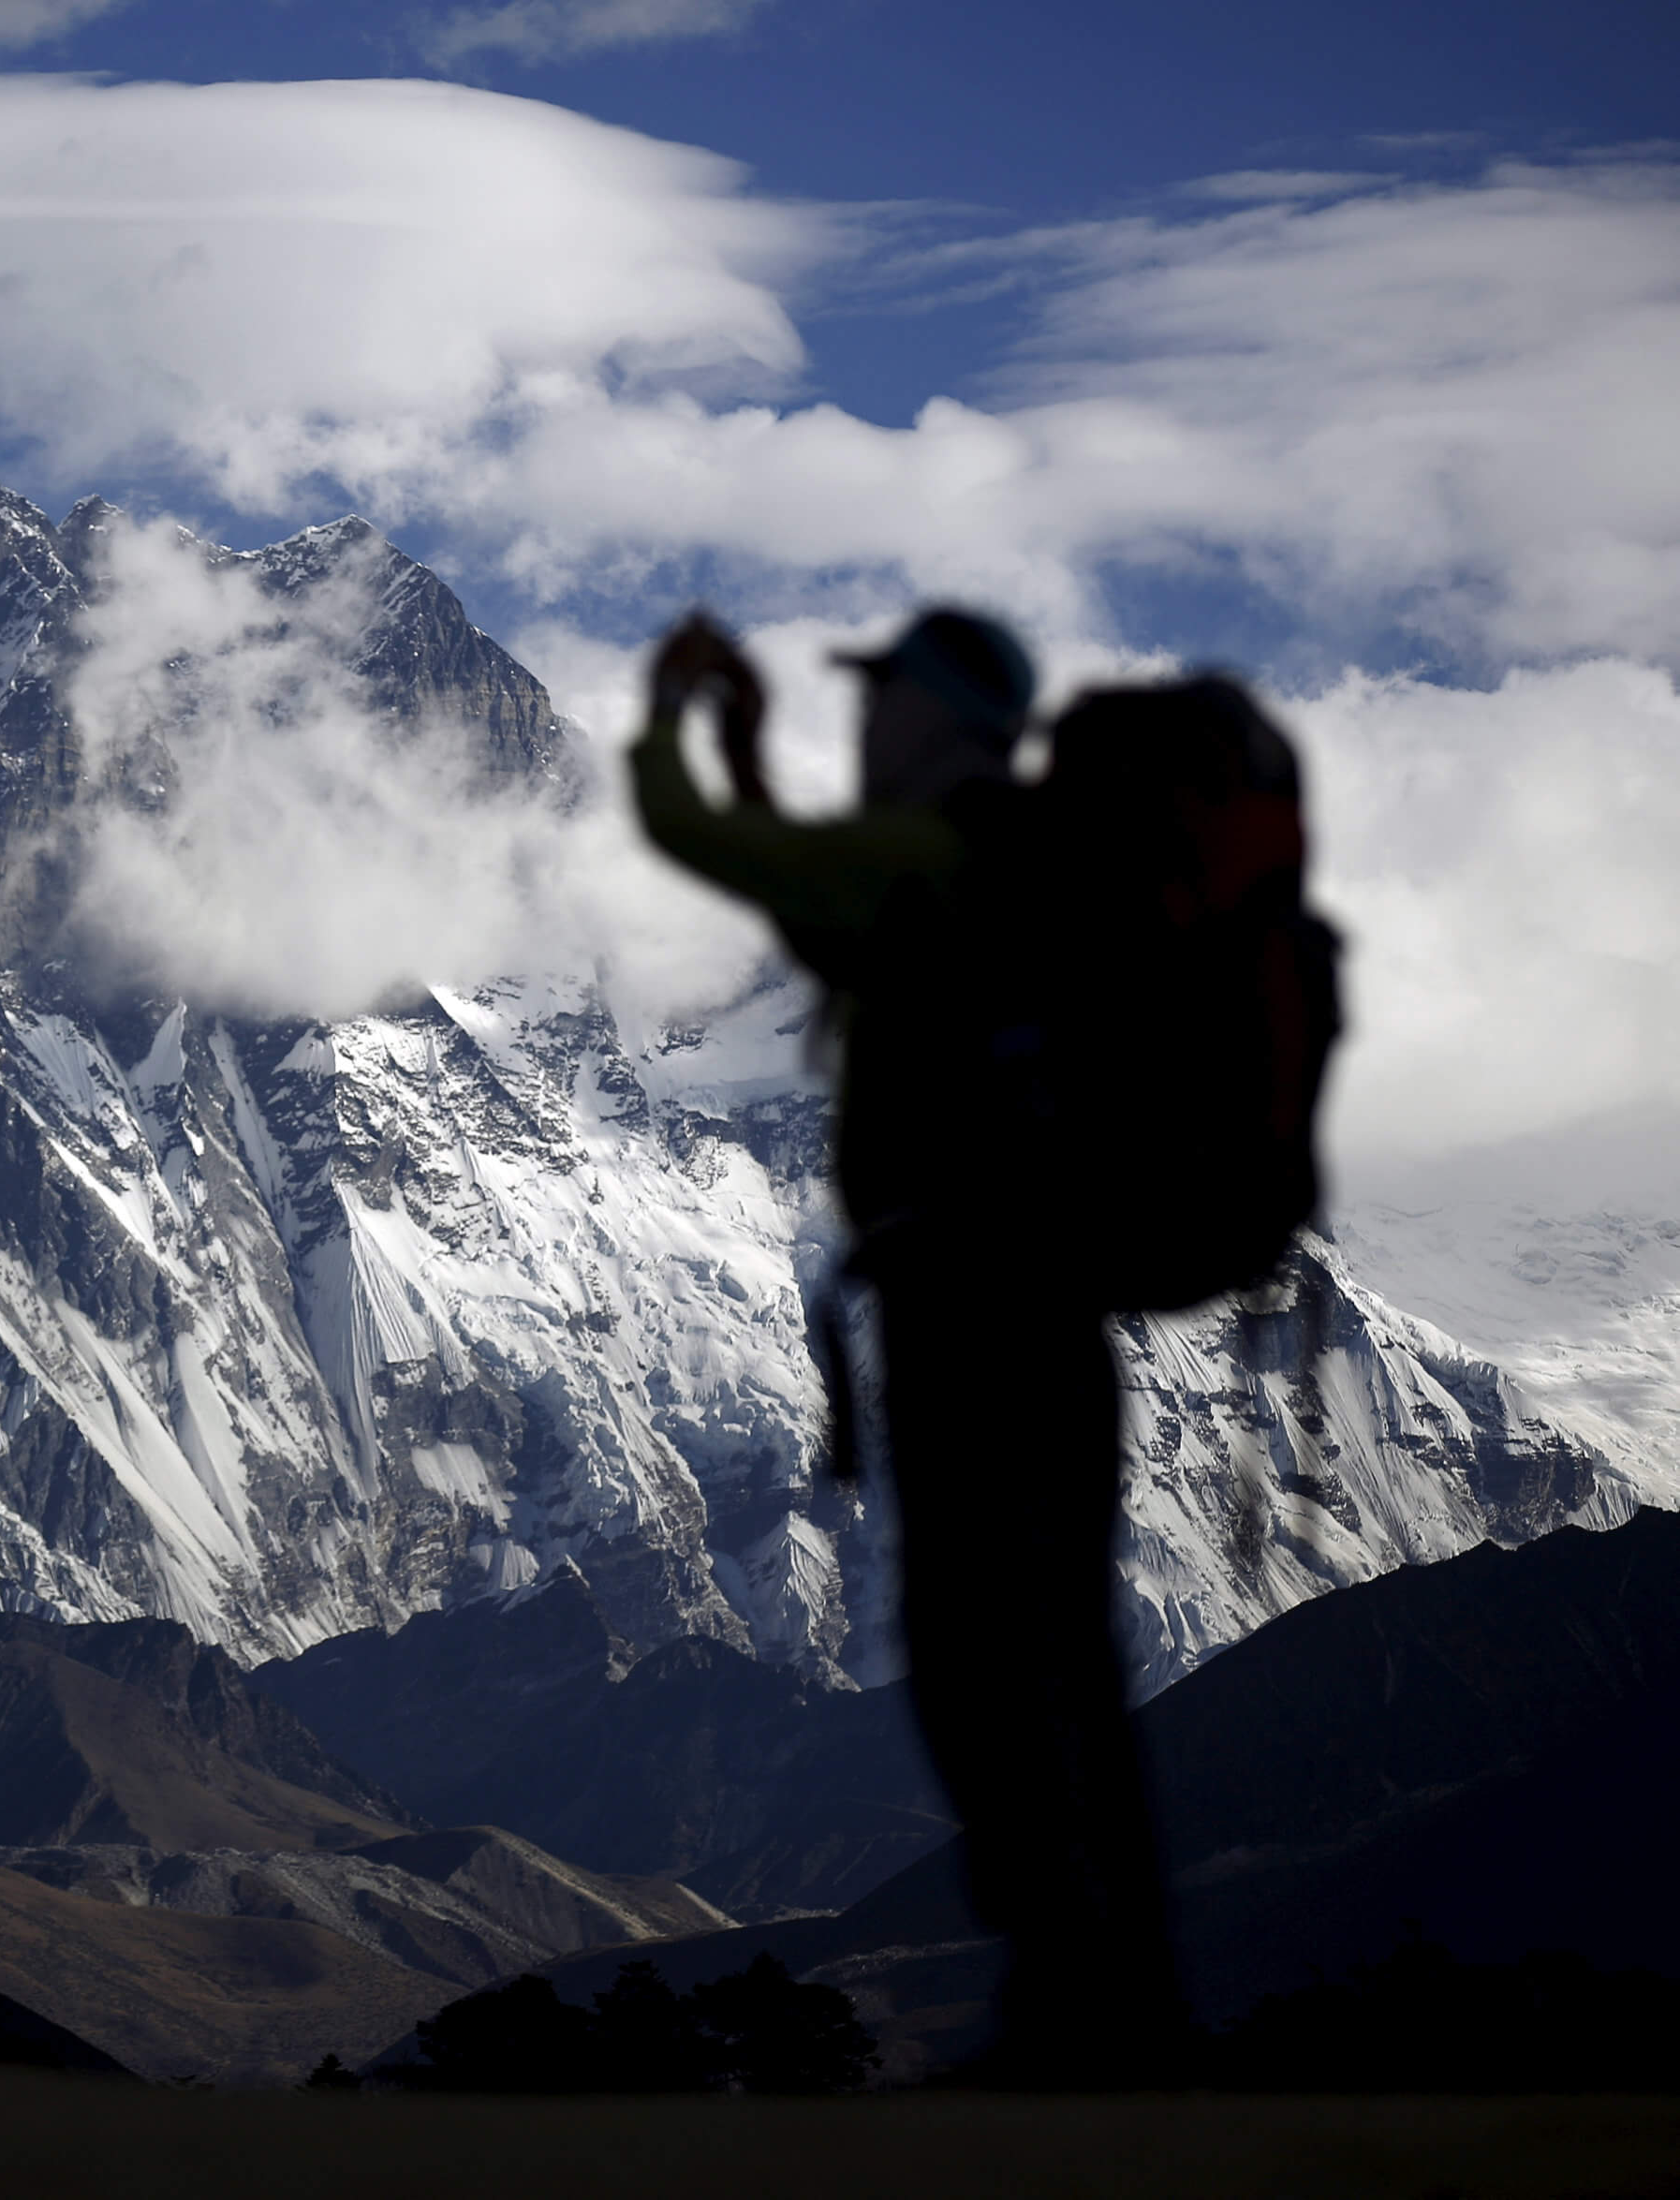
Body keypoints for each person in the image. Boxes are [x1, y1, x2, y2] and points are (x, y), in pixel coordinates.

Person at [628, 608, 1188, 2085]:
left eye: (881, 700)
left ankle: (1078, 2007)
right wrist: (758, 754)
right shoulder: (1002, 874)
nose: (861, 724)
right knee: (1059, 1656)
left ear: (938, 718)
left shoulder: (925, 858)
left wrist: (671, 724)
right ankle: (1117, 1996)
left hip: (964, 1320)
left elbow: (712, 850)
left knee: (972, 1662)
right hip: (1058, 1323)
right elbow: (819, 917)